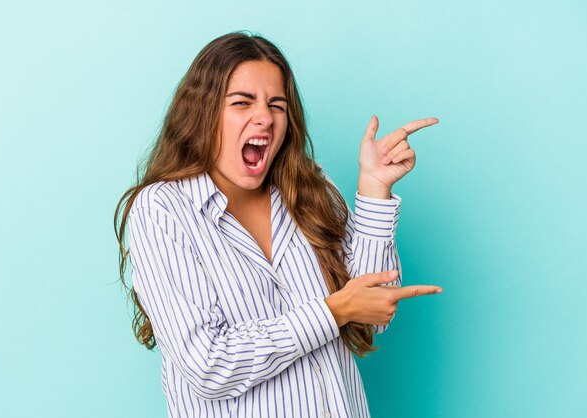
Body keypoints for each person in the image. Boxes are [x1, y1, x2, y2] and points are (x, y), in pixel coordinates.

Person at [114, 31, 442, 418]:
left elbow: (370, 319)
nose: (265, 118)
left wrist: (374, 188)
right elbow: (208, 364)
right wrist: (333, 311)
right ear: (202, 113)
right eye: (242, 102)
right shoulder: (162, 210)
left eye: (277, 105)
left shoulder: (308, 187)